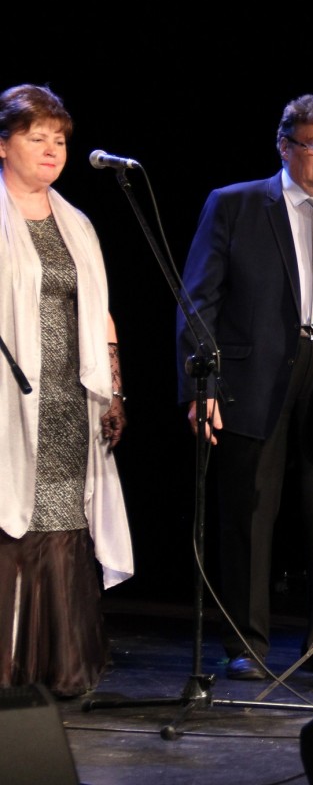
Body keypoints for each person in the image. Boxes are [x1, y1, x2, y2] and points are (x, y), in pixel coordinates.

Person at [176, 94, 313, 680]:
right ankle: (245, 645)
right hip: (254, 375)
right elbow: (198, 301)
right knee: (248, 511)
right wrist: (201, 385)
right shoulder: (236, 204)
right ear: (284, 145)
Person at [0, 84, 133, 698]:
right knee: (9, 517)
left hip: (66, 398)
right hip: (8, 395)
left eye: (59, 140)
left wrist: (114, 389)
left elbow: (100, 309)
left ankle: (59, 667)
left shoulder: (75, 222)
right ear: (4, 145)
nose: (52, 150)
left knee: (59, 518)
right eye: (37, 138)